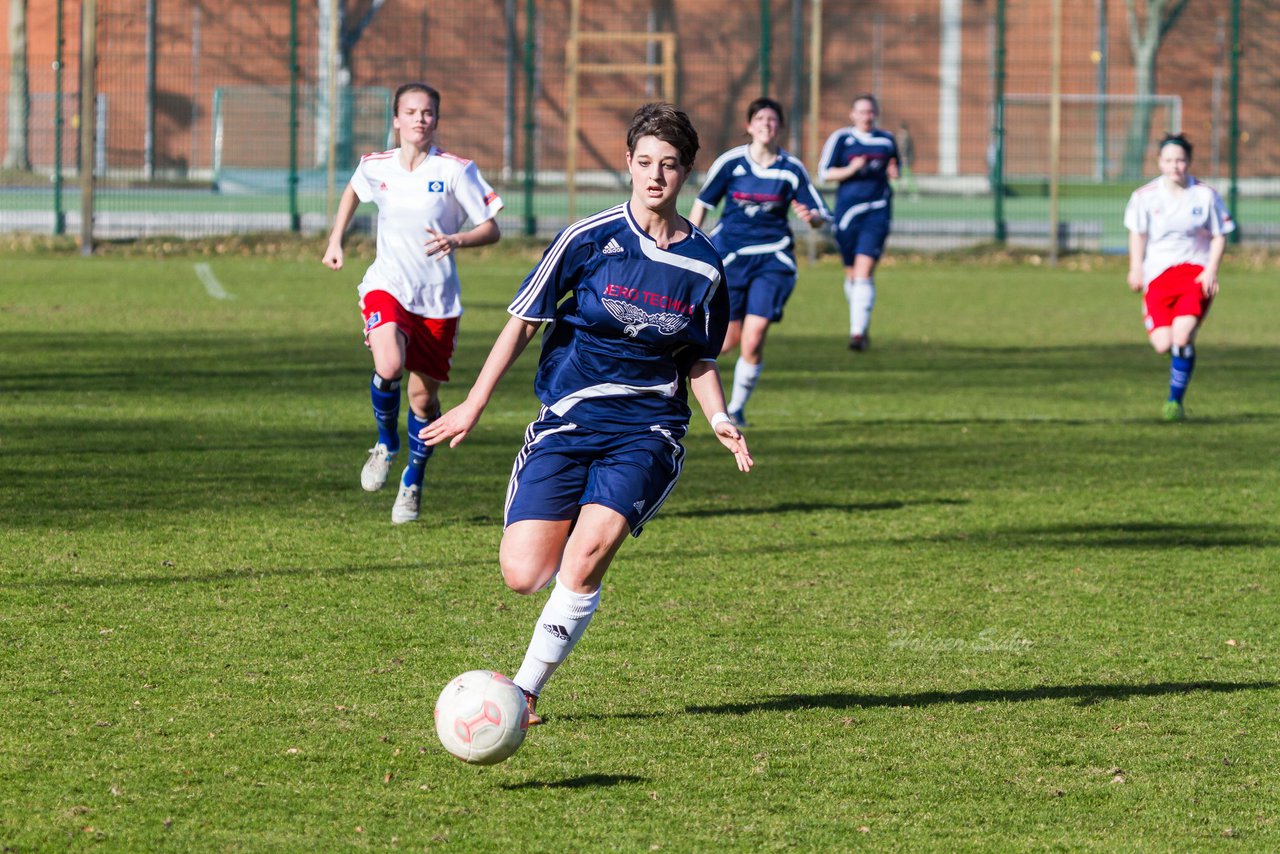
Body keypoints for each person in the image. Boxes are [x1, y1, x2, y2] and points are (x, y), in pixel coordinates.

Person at [421, 103, 753, 724]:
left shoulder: (705, 264)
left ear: (687, 173)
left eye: (670, 166)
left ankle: (523, 692)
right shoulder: (587, 238)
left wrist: (719, 417)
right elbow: (524, 320)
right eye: (645, 162)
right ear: (627, 163)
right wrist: (474, 400)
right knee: (524, 575)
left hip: (648, 428)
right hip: (569, 421)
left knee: (589, 552)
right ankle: (576, 549)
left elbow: (700, 357)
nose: (655, 176)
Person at [323, 82, 503, 523]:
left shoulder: (456, 170)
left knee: (423, 402)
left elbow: (492, 228)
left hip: (438, 302)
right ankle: (386, 444)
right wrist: (335, 240)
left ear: (435, 120)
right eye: (411, 111)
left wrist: (457, 238)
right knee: (387, 365)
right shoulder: (375, 165)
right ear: (396, 119)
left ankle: (413, 481)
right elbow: (352, 190)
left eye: (427, 112)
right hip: (388, 285)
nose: (420, 119)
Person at [688, 97, 830, 428]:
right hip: (731, 258)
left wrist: (814, 218)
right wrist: (691, 244)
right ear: (749, 126)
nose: (767, 124)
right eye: (760, 119)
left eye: (772, 119)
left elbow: (820, 214)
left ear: (780, 127)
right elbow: (703, 202)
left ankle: (735, 410)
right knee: (727, 341)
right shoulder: (731, 163)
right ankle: (672, 376)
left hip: (773, 260)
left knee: (754, 337)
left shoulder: (791, 168)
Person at [1123, 133, 1234, 422]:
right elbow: (1138, 233)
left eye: (1181, 160)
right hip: (1158, 276)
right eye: (1169, 160)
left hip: (1195, 275)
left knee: (1182, 336)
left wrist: (1211, 270)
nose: (1175, 166)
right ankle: (1181, 357)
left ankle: (1175, 403)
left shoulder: (1205, 195)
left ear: (1189, 162)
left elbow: (1220, 234)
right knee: (1163, 344)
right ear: (1160, 162)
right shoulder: (1144, 197)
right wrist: (1136, 267)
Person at [818, 94, 899, 351]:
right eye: (862, 112)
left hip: (877, 211)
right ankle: (861, 324)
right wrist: (851, 169)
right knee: (852, 273)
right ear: (853, 115)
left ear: (876, 114)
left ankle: (856, 334)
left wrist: (893, 172)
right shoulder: (842, 139)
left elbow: (894, 166)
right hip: (846, 214)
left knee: (864, 272)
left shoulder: (886, 140)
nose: (867, 116)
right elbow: (825, 173)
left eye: (871, 112)